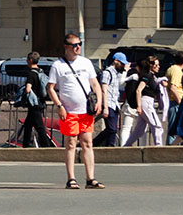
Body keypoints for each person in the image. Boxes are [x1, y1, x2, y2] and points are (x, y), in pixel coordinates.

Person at [46, 33, 105, 189]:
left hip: (86, 110)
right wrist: (59, 106)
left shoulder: (86, 63)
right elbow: (50, 88)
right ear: (66, 47)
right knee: (71, 144)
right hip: (69, 111)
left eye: (79, 44)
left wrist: (99, 101)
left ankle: (90, 178)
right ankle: (71, 178)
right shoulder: (58, 66)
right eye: (75, 45)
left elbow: (95, 84)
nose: (78, 47)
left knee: (87, 143)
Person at [124, 57, 165, 146]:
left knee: (140, 129)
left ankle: (126, 146)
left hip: (148, 101)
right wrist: (139, 106)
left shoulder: (152, 76)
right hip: (145, 102)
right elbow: (138, 90)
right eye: (156, 65)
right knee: (157, 125)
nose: (158, 67)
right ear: (151, 66)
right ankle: (159, 147)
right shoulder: (147, 76)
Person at [93, 52, 128, 147]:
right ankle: (94, 144)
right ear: (116, 61)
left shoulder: (116, 74)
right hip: (108, 104)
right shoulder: (107, 73)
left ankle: (110, 146)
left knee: (113, 130)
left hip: (114, 104)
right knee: (111, 129)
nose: (123, 66)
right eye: (122, 63)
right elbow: (104, 90)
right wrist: (105, 107)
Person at [16, 52, 50, 148]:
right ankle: (25, 145)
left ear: (30, 60)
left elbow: (28, 88)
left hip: (34, 103)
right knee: (28, 125)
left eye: (27, 60)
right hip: (40, 101)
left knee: (40, 127)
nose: (26, 62)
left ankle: (47, 146)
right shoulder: (41, 72)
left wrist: (23, 94)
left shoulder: (31, 73)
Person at [164, 53, 183, 143]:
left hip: (173, 102)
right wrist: (179, 100)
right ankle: (171, 151)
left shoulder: (171, 69)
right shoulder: (177, 71)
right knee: (174, 129)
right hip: (176, 102)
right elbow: (173, 87)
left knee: (175, 128)